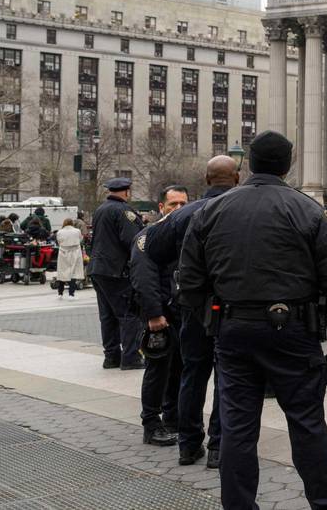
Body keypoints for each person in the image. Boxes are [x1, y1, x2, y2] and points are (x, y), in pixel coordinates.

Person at [178, 131, 327, 510]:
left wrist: (212, 321)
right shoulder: (308, 210)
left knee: (237, 428)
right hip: (293, 330)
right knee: (306, 423)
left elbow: (190, 279)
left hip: (233, 330)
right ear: (288, 165)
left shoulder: (211, 211)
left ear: (248, 163)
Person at [143, 156, 239, 468]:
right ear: (236, 179)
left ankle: (188, 444)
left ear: (207, 180)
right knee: (227, 376)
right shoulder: (244, 210)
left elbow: (152, 249)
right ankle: (218, 447)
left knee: (193, 374)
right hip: (232, 306)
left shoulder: (184, 214)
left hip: (193, 306)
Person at [130, 185, 190, 447]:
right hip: (161, 315)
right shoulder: (148, 237)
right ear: (161, 208)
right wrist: (154, 314)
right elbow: (144, 279)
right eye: (173, 204)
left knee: (178, 369)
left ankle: (173, 419)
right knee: (158, 370)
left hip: (182, 312)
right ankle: (151, 424)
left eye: (183, 204)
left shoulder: (188, 236)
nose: (178, 209)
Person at [90, 177, 146, 370]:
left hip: (98, 269)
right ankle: (131, 357)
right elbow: (133, 241)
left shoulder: (101, 209)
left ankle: (112, 356)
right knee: (129, 314)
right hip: (117, 270)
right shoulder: (124, 212)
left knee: (107, 315)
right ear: (126, 192)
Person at [54, 218, 84, 298]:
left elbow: (59, 241)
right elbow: (80, 239)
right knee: (73, 273)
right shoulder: (77, 231)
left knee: (62, 273)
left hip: (63, 253)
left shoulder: (60, 232)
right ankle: (71, 294)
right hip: (75, 252)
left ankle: (60, 293)